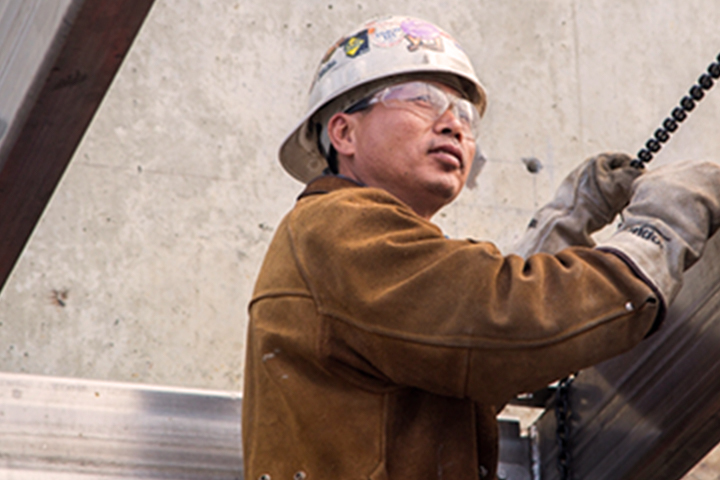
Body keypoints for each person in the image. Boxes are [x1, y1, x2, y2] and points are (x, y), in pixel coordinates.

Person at [242, 15, 720, 479]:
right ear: (343, 132)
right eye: (423, 99)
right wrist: (664, 226)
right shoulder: (337, 228)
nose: (453, 125)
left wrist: (564, 224)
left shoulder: (365, 251)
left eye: (464, 114)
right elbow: (503, 323)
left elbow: (468, 347)